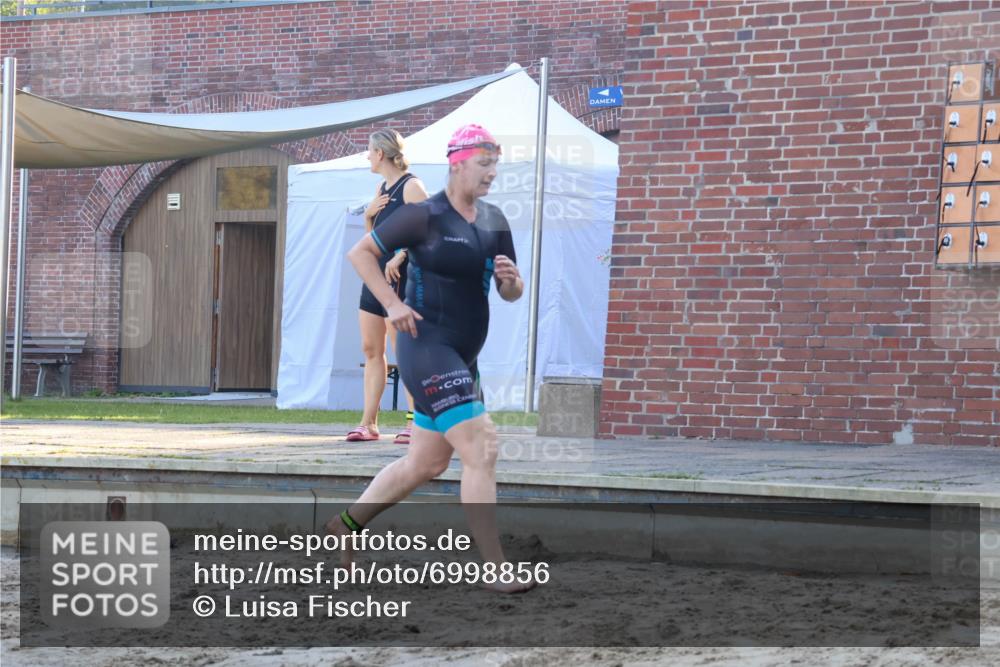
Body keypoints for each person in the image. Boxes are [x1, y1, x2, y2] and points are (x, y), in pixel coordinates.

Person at [327, 124, 534, 593]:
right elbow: (361, 253)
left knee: (425, 463)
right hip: (426, 348)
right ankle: (495, 569)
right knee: (481, 448)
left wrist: (511, 282)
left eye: (495, 165)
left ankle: (346, 524)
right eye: (484, 164)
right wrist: (392, 304)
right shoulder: (424, 215)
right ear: (458, 164)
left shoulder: (495, 220)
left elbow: (511, 293)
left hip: (463, 357)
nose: (492, 173)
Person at [346, 129, 428, 444]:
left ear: (380, 153)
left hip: (401, 280)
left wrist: (402, 254)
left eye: (369, 151)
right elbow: (373, 240)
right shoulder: (381, 188)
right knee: (371, 349)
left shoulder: (412, 187)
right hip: (375, 278)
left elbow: (428, 230)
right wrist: (368, 217)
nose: (367, 156)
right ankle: (368, 424)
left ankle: (415, 422)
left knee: (404, 351)